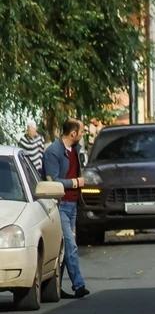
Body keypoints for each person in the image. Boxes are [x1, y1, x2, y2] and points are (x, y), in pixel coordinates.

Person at [43, 118, 89, 299]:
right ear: (73, 133)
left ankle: (54, 288)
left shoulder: (75, 150)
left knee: (63, 248)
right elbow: (52, 181)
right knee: (70, 246)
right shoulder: (53, 152)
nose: (83, 135)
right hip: (59, 205)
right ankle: (79, 284)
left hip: (72, 205)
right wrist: (75, 182)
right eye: (82, 132)